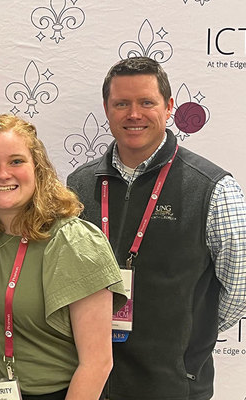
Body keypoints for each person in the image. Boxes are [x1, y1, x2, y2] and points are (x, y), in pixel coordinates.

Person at [67, 56, 246, 400]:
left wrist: (188, 338)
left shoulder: (212, 188)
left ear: (168, 107)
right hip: (92, 384)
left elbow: (238, 289)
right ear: (107, 109)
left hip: (174, 386)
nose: (134, 114)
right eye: (122, 103)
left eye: (146, 102)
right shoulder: (79, 184)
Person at [0, 114, 127, 399]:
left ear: (37, 169)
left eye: (16, 161)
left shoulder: (73, 241)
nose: (2, 174)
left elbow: (97, 363)